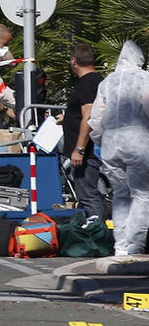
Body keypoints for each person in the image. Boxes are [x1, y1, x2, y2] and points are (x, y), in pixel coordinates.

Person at [88, 40, 149, 256]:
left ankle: (120, 245)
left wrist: (99, 140)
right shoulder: (144, 78)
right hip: (137, 141)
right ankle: (135, 244)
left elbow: (96, 117)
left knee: (120, 194)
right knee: (142, 194)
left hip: (110, 143)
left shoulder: (107, 82)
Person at [55, 43, 104, 220]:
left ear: (73, 61)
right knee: (86, 195)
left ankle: (98, 236)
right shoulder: (97, 81)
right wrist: (66, 117)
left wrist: (79, 149)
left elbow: (89, 116)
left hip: (87, 152)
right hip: (88, 150)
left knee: (87, 196)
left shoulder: (87, 83)